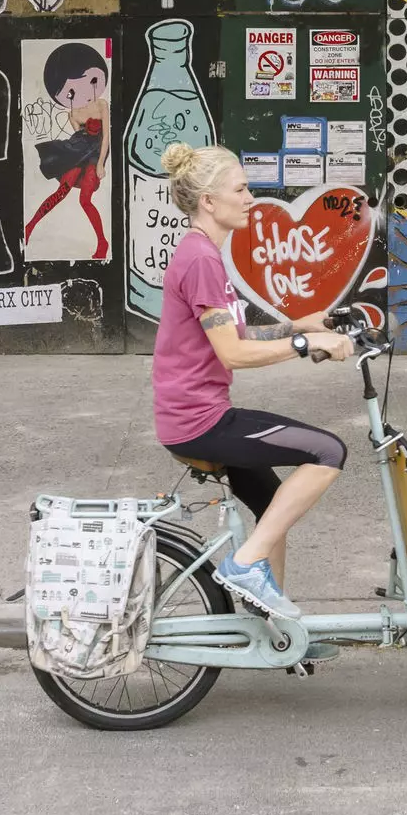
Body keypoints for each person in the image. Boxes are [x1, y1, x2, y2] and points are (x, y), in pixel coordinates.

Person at [151, 142, 353, 620]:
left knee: (272, 512)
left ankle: (273, 625)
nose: (250, 198)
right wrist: (308, 347)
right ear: (209, 202)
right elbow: (235, 353)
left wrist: (299, 325)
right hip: (199, 420)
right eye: (240, 189)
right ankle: (243, 565)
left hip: (195, 413)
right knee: (328, 452)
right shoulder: (202, 260)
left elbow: (236, 332)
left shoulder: (202, 254)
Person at [23, 41, 111, 260]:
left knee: (85, 200)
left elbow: (106, 136)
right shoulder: (72, 113)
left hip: (93, 155)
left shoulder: (101, 105)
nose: (82, 91)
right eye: (71, 90)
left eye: (90, 81)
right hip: (77, 151)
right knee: (61, 192)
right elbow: (78, 135)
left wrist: (101, 163)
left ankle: (102, 241)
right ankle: (30, 226)